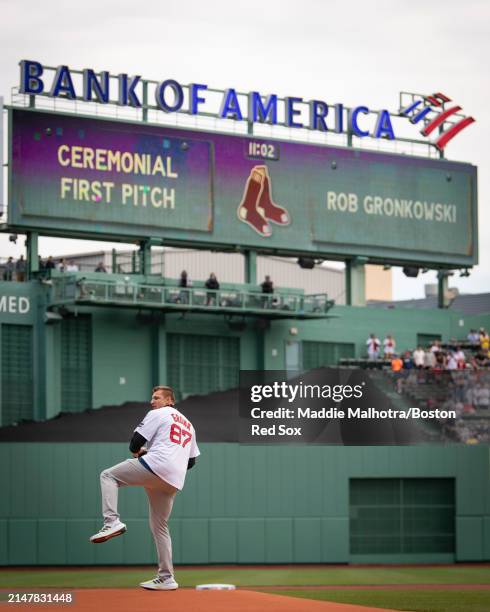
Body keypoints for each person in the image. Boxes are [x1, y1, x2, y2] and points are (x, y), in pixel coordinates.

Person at [90, 385, 200, 591]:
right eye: (152, 398)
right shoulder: (189, 425)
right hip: (173, 479)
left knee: (108, 475)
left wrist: (141, 452)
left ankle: (111, 522)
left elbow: (135, 443)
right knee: (160, 527)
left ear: (169, 401)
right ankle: (167, 577)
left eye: (157, 397)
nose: (152, 401)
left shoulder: (158, 413)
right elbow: (191, 462)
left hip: (156, 465)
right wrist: (162, 460)